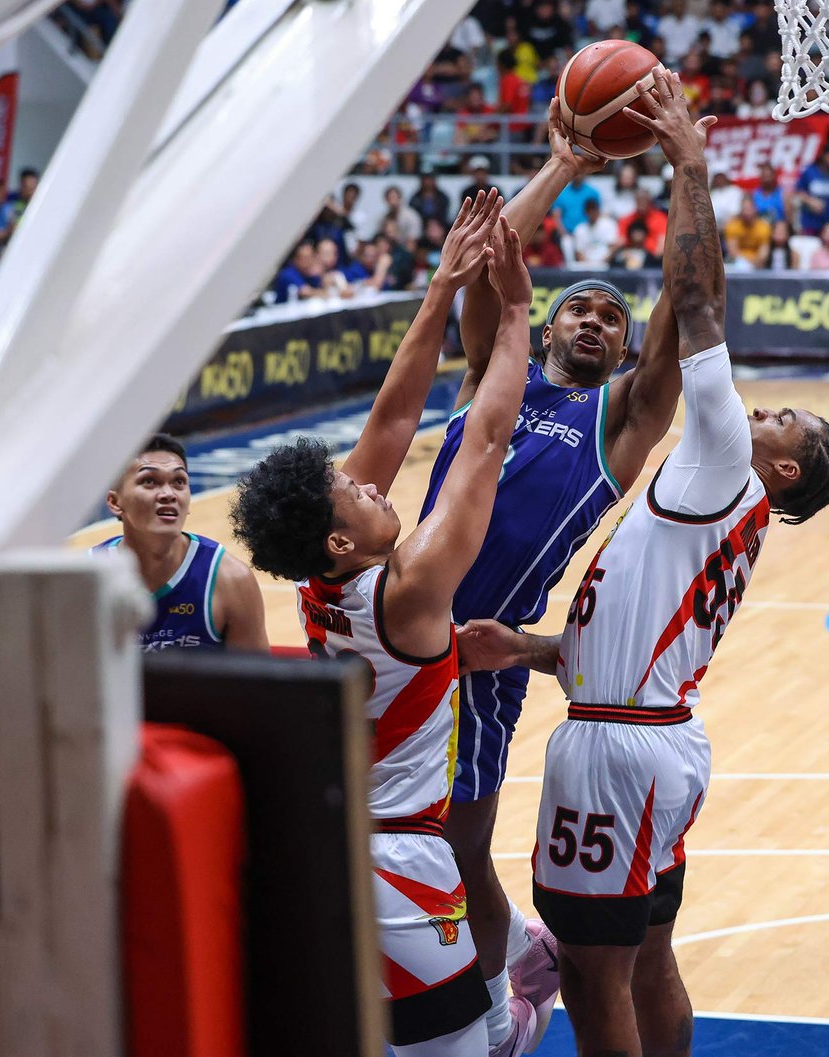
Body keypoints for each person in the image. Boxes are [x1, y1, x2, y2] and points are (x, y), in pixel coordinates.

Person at [455, 68, 829, 1055]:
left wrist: (689, 165)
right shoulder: (730, 506)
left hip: (614, 746)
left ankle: (500, 1002)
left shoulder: (715, 453)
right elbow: (634, 630)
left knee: (593, 977)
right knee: (645, 957)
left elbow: (695, 299)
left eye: (782, 420)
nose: (763, 407)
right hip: (649, 726)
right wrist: (539, 648)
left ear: (786, 463)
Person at [423, 111, 708, 1056]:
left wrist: (682, 171)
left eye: (610, 318)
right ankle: (473, 979)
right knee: (385, 838)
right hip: (396, 624)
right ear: (546, 321)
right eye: (579, 307)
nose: (594, 318)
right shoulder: (488, 378)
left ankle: (503, 1016)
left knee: (459, 848)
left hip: (480, 653)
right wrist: (562, 161)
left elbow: (679, 316)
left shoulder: (616, 418)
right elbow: (475, 262)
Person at [230, 193, 522, 1055]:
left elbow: (394, 419)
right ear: (337, 535)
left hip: (336, 844)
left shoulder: (327, 576)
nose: (369, 484)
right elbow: (488, 436)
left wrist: (440, 288)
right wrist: (512, 308)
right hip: (400, 863)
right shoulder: (411, 586)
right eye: (353, 492)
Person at [93, 434, 268, 653]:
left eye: (179, 482)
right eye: (149, 481)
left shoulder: (231, 580)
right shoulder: (86, 581)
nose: (168, 494)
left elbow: (254, 684)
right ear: (114, 502)